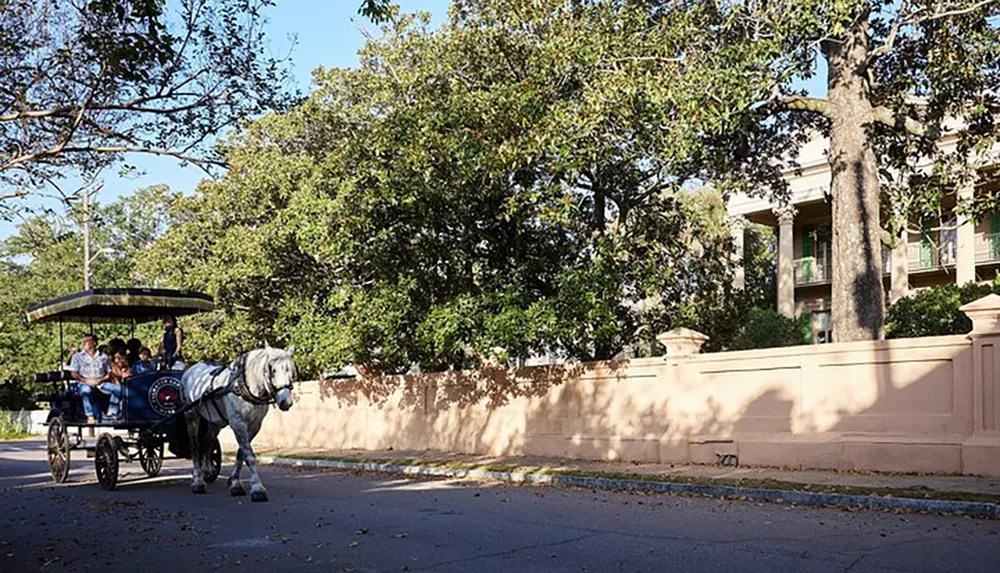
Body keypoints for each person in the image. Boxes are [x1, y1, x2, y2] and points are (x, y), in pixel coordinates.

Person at [68, 334, 121, 424]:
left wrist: (101, 380)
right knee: (86, 391)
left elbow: (109, 373)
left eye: (88, 341)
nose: (85, 343)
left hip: (101, 382)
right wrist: (86, 380)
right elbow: (74, 373)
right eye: (84, 341)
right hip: (84, 382)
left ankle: (111, 413)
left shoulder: (103, 357)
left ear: (94, 343)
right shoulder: (77, 357)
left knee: (119, 389)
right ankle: (90, 415)